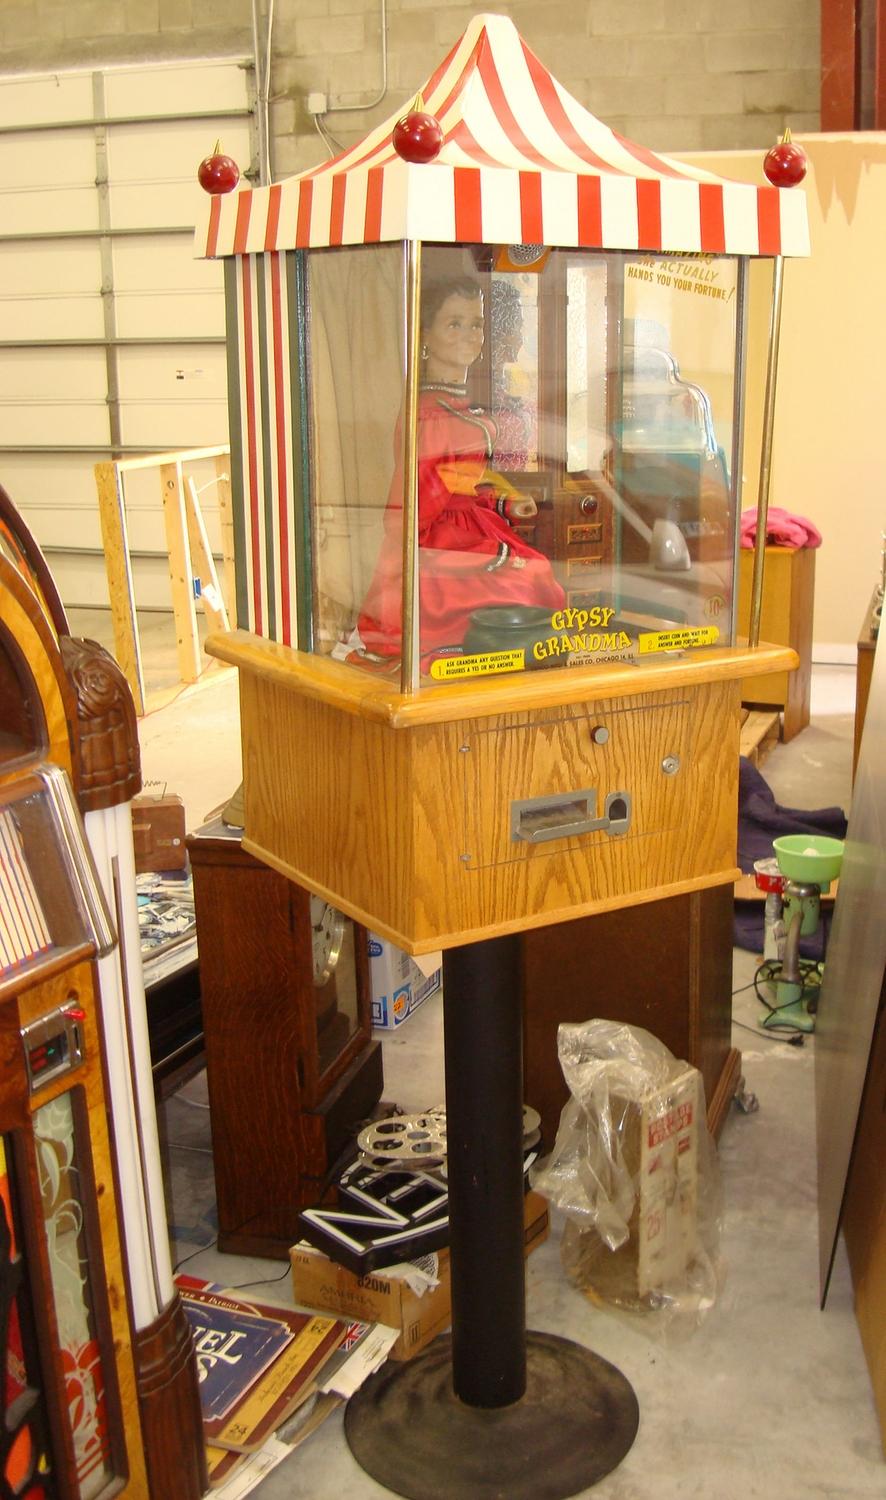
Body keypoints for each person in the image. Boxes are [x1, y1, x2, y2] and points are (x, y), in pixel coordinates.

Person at [352, 274, 564, 663]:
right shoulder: (430, 417)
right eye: (454, 323)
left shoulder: (452, 409)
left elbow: (462, 481)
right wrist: (476, 551)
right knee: (527, 579)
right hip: (437, 547)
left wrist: (504, 503)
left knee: (534, 572)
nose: (469, 334)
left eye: (476, 323)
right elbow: (413, 516)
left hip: (465, 526)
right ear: (426, 336)